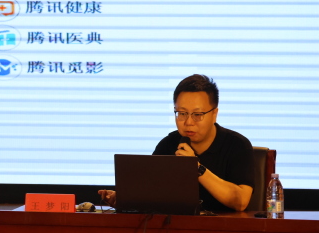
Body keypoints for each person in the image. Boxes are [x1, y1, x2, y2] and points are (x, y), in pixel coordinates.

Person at [99, 74, 255, 212]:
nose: (188, 122)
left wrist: (196, 168)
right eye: (182, 113)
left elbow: (241, 202)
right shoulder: (168, 144)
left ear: (214, 114)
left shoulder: (237, 145)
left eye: (197, 114)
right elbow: (150, 193)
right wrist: (126, 199)